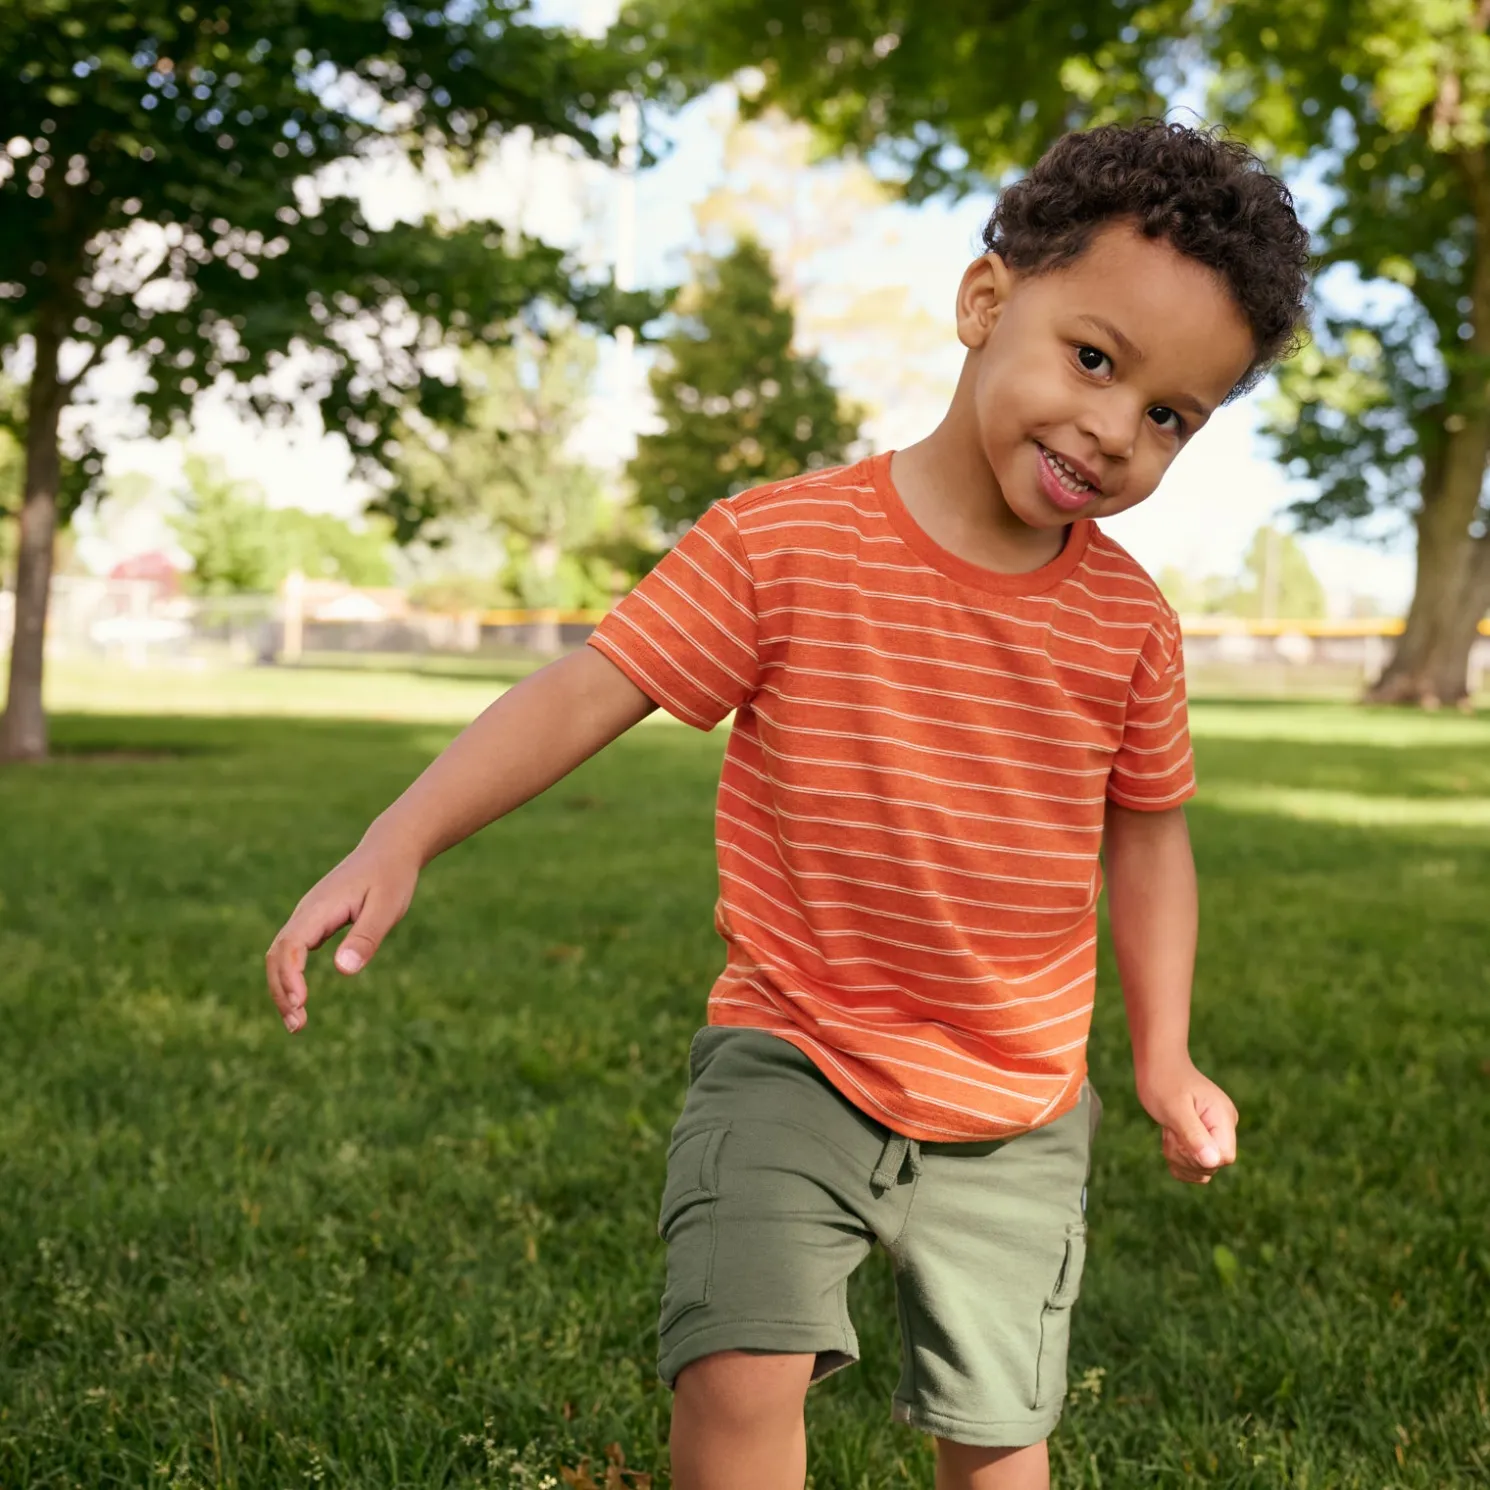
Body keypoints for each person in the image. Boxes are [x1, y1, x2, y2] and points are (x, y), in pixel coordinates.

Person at [265, 119, 1310, 1490]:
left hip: (1015, 1100)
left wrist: (1162, 1056)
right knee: (734, 1374)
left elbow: (1149, 838)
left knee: (997, 1436)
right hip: (792, 1052)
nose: (1114, 429)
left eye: (1170, 413)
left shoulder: (1128, 624)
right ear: (985, 302)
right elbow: (591, 687)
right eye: (1094, 358)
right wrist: (399, 831)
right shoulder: (782, 544)